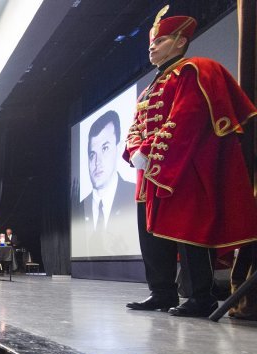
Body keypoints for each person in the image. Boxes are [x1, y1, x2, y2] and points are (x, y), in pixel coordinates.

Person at [123, 8, 257, 317]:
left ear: (180, 41)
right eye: (151, 43)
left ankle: (201, 296)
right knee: (151, 237)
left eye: (159, 41)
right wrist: (134, 152)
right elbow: (135, 126)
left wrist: (150, 152)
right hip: (149, 173)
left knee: (191, 233)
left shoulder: (193, 71)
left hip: (183, 168)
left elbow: (186, 119)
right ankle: (161, 292)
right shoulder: (148, 89)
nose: (152, 47)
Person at [75, 110, 138, 256]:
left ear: (119, 147)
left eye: (105, 148)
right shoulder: (79, 208)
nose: (97, 162)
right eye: (92, 155)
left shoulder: (134, 196)